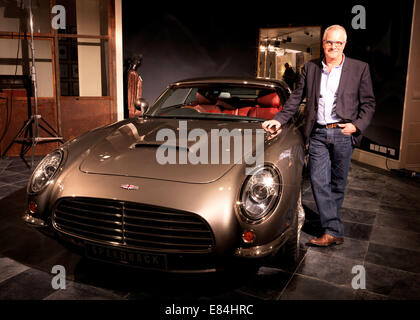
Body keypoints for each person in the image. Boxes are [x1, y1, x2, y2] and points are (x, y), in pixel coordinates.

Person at [262, 25, 375, 247]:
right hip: (318, 133)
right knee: (317, 180)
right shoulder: (311, 67)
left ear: (344, 44)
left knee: (337, 183)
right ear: (323, 43)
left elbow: (369, 103)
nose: (333, 46)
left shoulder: (360, 68)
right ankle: (333, 229)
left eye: (338, 43)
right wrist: (279, 118)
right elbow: (296, 97)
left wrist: (357, 126)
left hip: (343, 132)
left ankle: (330, 226)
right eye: (329, 42)